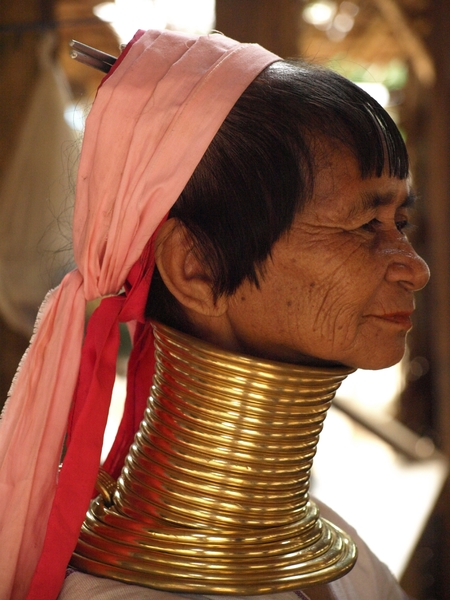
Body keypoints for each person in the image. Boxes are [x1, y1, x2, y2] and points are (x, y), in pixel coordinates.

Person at [0, 28, 429, 600]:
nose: (415, 268)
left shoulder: (342, 559)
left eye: (400, 224)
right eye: (363, 226)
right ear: (197, 266)